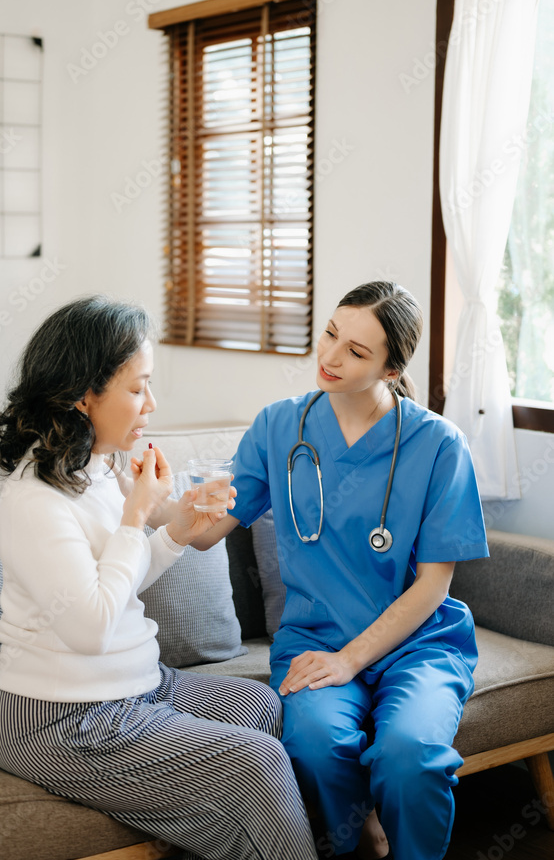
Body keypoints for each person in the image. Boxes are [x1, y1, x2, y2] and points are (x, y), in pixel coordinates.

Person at [0, 296, 318, 860]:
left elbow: (117, 586)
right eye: (137, 388)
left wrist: (178, 529)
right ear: (81, 395)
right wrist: (137, 515)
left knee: (271, 708)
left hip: (139, 687)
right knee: (256, 765)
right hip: (60, 721)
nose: (151, 403)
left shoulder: (92, 467)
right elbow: (89, 627)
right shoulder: (34, 498)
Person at [192, 281, 489, 860]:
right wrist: (145, 502)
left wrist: (351, 660)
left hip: (418, 643)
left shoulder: (438, 445)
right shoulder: (280, 428)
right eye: (331, 333)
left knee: (409, 756)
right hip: (314, 635)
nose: (329, 358)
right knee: (314, 744)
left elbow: (434, 582)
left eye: (356, 352)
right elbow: (206, 533)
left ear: (393, 367)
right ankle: (361, 840)